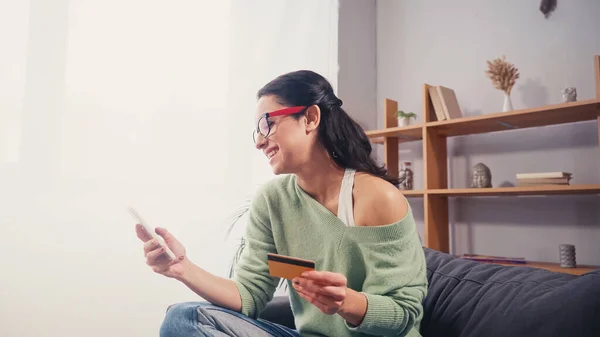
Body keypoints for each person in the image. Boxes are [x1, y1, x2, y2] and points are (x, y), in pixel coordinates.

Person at [135, 70, 428, 337]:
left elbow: (403, 314)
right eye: (258, 131)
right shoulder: (273, 201)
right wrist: (183, 269)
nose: (260, 142)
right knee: (183, 319)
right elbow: (249, 295)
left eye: (268, 124)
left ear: (311, 118)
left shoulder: (377, 198)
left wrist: (346, 302)